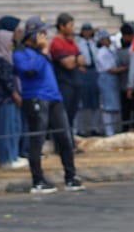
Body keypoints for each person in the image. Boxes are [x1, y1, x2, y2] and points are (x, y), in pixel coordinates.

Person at [16, 16, 83, 193]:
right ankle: (37, 180)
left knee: (64, 137)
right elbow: (31, 70)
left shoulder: (41, 53)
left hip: (54, 98)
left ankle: (70, 176)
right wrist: (44, 51)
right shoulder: (21, 53)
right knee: (38, 139)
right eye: (41, 33)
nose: (45, 36)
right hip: (36, 98)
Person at [0, 19, 26, 168]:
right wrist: (16, 95)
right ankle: (7, 158)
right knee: (7, 128)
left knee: (15, 127)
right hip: (6, 99)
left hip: (13, 99)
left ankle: (14, 155)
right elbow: (6, 81)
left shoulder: (7, 57)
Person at [48, 13, 83, 135]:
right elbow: (68, 64)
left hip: (74, 82)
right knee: (65, 114)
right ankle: (62, 143)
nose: (72, 28)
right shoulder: (57, 43)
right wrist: (76, 59)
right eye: (70, 25)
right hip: (64, 83)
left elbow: (83, 59)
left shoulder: (71, 42)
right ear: (62, 26)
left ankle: (70, 141)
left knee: (72, 114)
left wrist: (74, 60)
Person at [93, 28, 124, 136]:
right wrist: (125, 68)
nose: (108, 40)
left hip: (113, 80)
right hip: (106, 79)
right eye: (105, 39)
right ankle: (109, 131)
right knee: (107, 106)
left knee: (114, 106)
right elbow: (109, 69)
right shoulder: (101, 53)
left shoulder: (110, 50)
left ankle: (113, 129)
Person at [75, 22, 100, 137]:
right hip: (83, 71)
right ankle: (80, 129)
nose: (87, 32)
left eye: (89, 30)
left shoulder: (94, 43)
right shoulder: (78, 44)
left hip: (94, 70)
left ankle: (95, 127)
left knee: (95, 101)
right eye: (85, 30)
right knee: (82, 101)